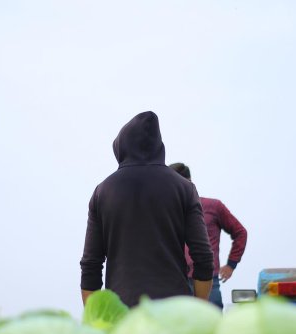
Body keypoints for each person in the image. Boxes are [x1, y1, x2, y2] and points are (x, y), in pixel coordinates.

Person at [80, 111, 214, 308]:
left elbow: (91, 265)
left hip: (122, 314)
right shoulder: (184, 188)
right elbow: (203, 256)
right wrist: (197, 310)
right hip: (174, 311)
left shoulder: (103, 192)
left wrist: (96, 319)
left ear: (121, 146)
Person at [169, 162, 247, 308]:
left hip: (209, 282)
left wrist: (231, 264)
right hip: (176, 284)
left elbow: (240, 232)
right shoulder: (166, 212)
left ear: (189, 182)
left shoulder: (213, 207)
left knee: (212, 327)